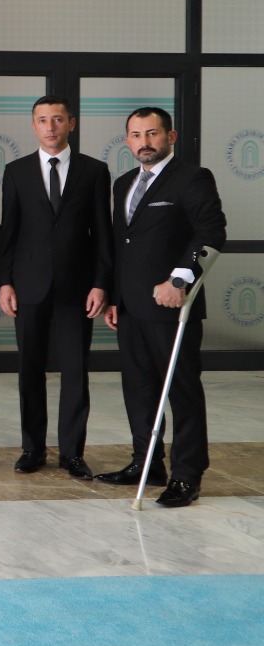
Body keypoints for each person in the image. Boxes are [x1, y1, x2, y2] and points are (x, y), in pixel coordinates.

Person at [101, 107, 227, 508]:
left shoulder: (192, 178)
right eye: (136, 135)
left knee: (182, 389)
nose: (145, 142)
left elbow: (211, 230)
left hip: (172, 305)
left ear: (170, 137)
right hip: (130, 307)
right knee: (139, 389)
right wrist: (114, 297)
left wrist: (179, 279)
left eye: (152, 133)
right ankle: (147, 463)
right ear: (128, 141)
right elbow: (122, 244)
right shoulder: (123, 183)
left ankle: (187, 475)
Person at [0, 97, 113, 480]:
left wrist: (101, 284)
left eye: (58, 119)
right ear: (33, 126)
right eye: (43, 120)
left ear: (71, 124)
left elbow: (103, 233)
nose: (51, 127)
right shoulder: (16, 171)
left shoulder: (94, 171)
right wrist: (4, 282)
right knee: (29, 370)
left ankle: (72, 453)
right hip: (28, 286)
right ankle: (32, 449)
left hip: (77, 289)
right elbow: (8, 232)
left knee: (76, 371)